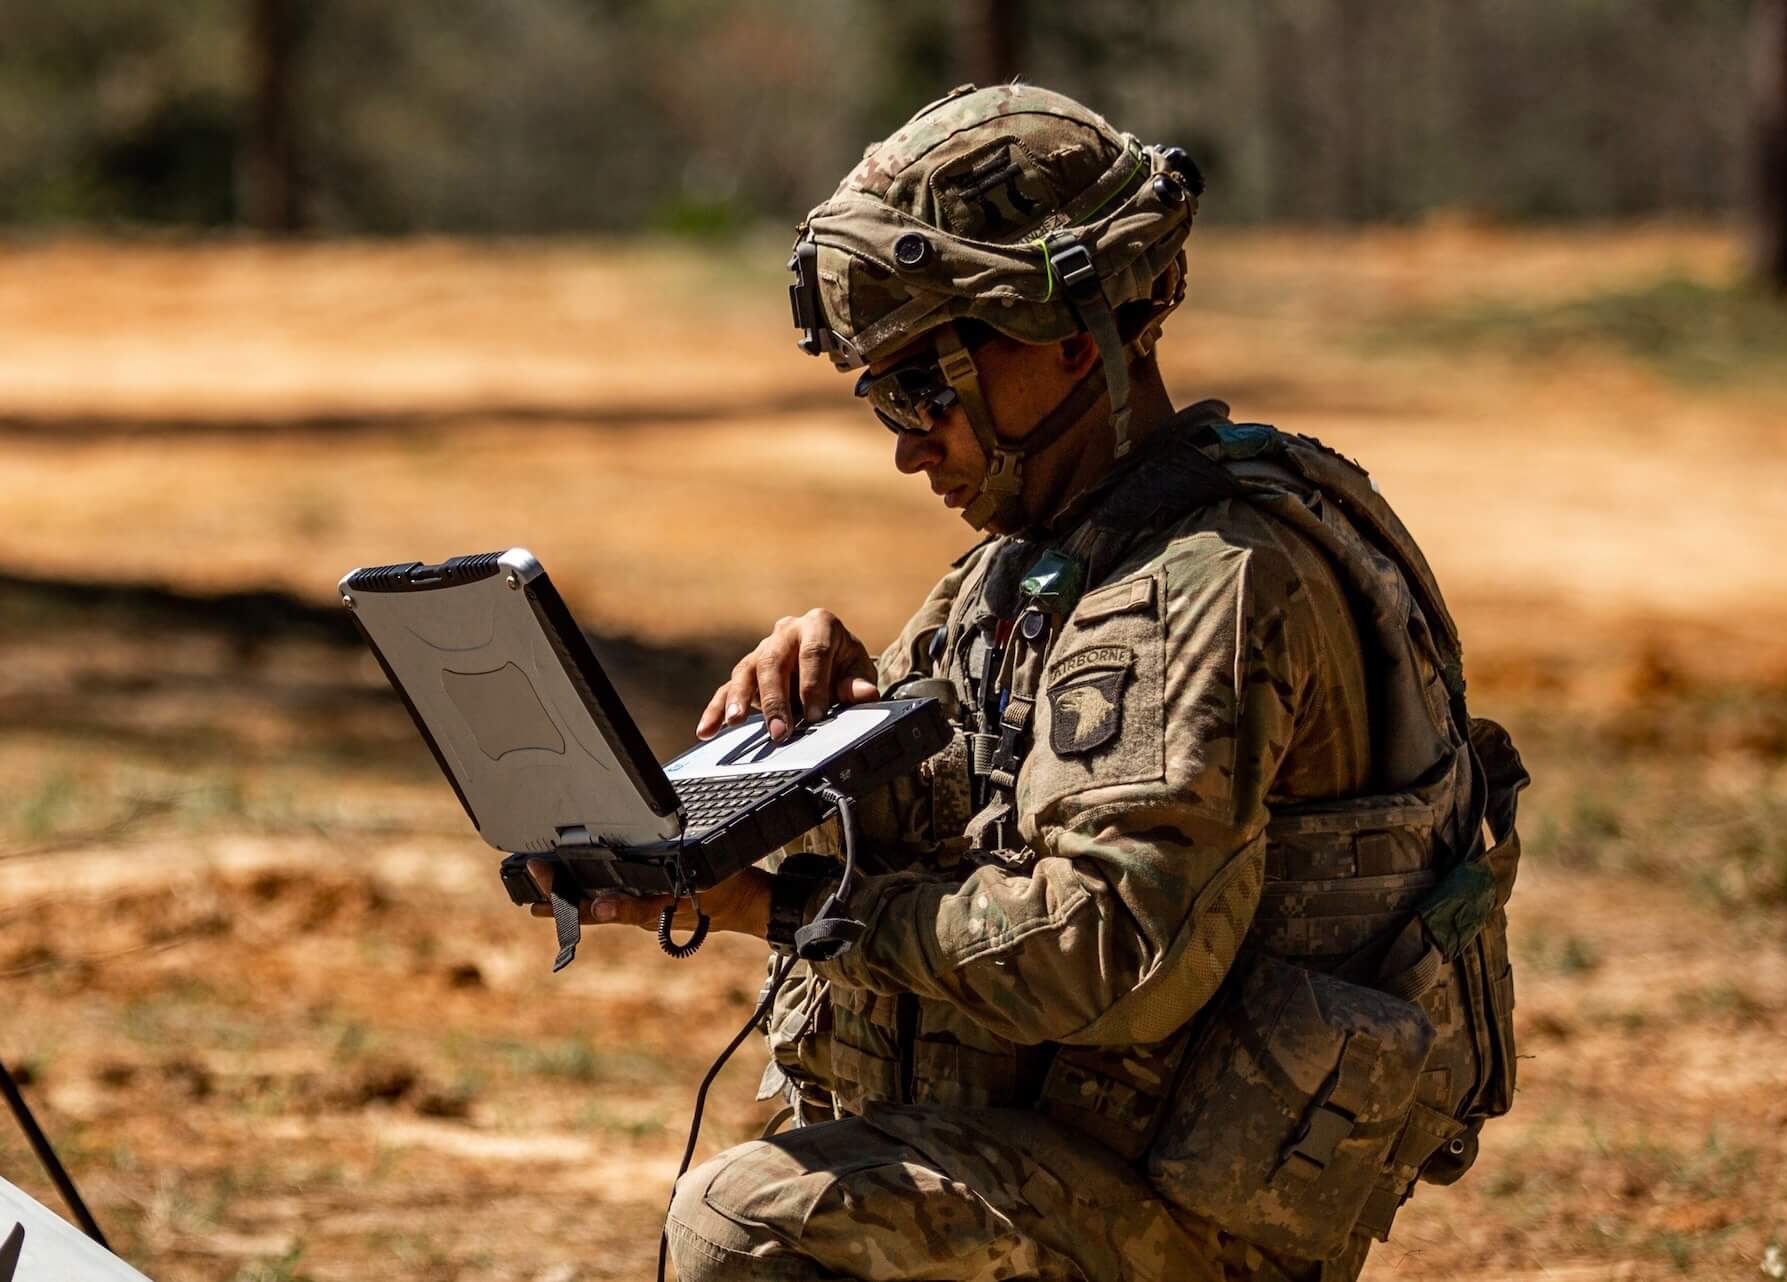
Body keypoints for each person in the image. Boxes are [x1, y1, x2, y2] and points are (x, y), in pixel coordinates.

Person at [528, 84, 1529, 1282]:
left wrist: (784, 910)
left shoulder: (1199, 584)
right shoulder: (1050, 559)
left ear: (1065, 334)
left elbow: (1109, 954)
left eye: (925, 389)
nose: (908, 443)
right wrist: (833, 725)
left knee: (748, 1225)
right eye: (882, 399)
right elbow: (975, 802)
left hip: (1186, 1228)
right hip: (1075, 1170)